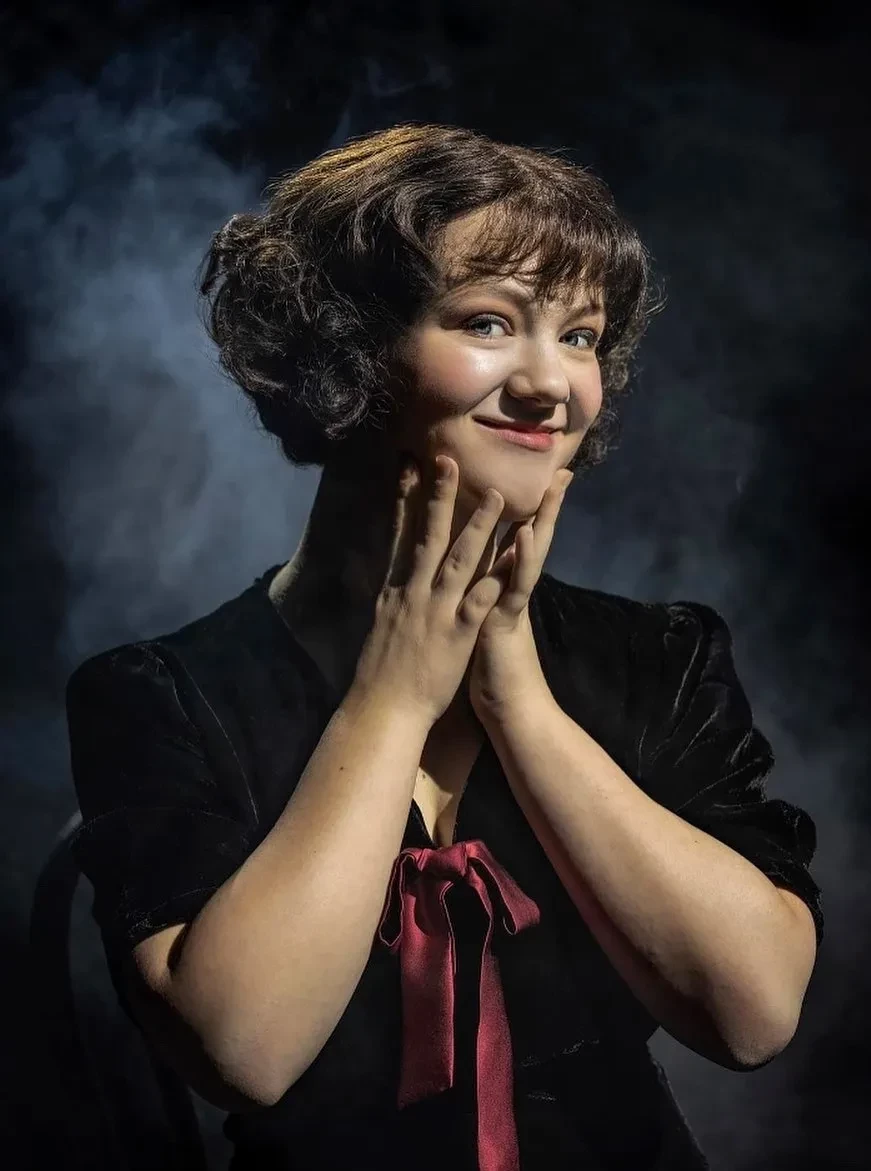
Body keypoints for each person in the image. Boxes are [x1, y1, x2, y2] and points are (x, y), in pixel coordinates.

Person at [65, 122, 824, 1171]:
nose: (551, 385)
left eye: (581, 335)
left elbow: (751, 1016)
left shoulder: (658, 656)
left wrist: (519, 702)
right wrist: (390, 699)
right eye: (488, 321)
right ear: (343, 348)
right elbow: (244, 1051)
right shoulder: (163, 693)